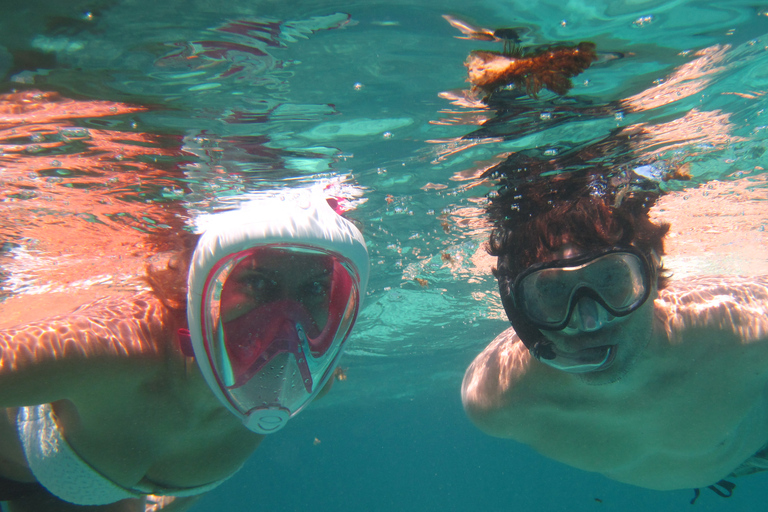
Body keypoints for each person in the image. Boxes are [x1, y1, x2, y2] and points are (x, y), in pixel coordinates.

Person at [0, 188, 369, 511]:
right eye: (258, 282)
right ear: (199, 283)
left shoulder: (305, 383)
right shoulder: (117, 350)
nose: (288, 323)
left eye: (316, 289)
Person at [461, 158, 768, 497]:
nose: (589, 321)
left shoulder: (750, 332)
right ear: (519, 309)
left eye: (611, 278)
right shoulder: (496, 399)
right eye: (550, 290)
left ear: (651, 273)